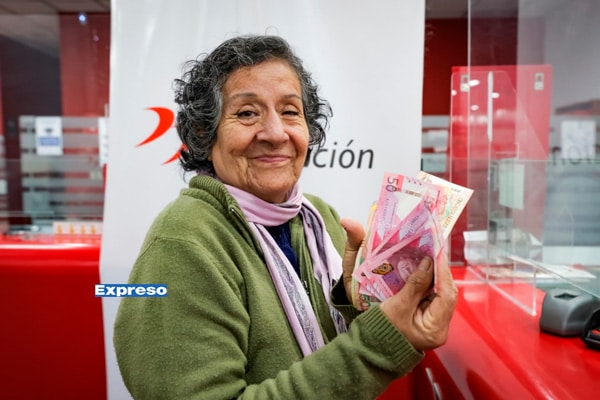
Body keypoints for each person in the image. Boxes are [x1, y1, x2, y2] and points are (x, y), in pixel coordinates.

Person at [113, 34, 457, 399]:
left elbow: (329, 358)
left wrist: (365, 305)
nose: (276, 133)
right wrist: (378, 346)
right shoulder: (183, 242)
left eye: (290, 111)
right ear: (204, 132)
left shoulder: (319, 217)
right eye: (247, 113)